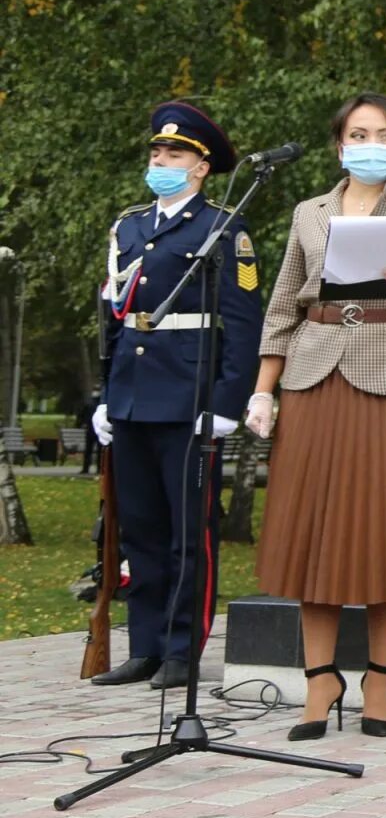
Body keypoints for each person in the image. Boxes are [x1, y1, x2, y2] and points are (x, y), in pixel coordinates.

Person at [244, 93, 386, 739]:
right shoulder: (307, 213)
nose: (374, 142)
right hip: (313, 377)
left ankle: (378, 680)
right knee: (310, 532)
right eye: (359, 132)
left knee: (385, 532)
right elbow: (282, 306)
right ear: (340, 145)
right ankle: (320, 680)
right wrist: (264, 391)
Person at [88, 102, 262, 689]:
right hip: (133, 399)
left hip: (189, 400)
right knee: (139, 529)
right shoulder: (129, 226)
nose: (162, 160)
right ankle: (145, 647)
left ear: (202, 167)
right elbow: (114, 318)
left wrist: (227, 404)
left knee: (190, 532)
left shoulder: (224, 228)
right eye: (157, 152)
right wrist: (104, 397)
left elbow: (243, 324)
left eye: (176, 153)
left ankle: (184, 649)